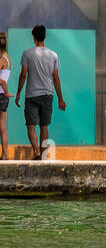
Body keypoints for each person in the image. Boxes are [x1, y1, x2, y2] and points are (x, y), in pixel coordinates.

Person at [14, 25, 65, 160]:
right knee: (44, 126)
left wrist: (18, 92)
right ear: (45, 37)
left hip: (31, 95)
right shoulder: (53, 55)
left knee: (31, 125)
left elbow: (23, 75)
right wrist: (60, 99)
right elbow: (56, 78)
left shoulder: (27, 54)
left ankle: (36, 152)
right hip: (48, 95)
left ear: (34, 37)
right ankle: (43, 157)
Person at [0, 31, 10, 160]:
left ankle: (5, 154)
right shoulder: (7, 58)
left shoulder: (1, 59)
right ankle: (5, 154)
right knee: (3, 126)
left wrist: (6, 91)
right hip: (3, 96)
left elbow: (1, 81)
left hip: (1, 93)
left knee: (2, 126)